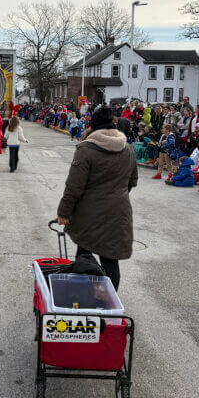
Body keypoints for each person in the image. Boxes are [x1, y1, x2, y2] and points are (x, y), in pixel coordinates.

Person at [55, 106, 138, 290]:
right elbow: (132, 181)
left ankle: (82, 298)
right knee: (110, 261)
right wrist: (115, 197)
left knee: (84, 253)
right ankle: (110, 305)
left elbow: (74, 187)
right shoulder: (128, 149)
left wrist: (63, 212)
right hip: (119, 212)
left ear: (93, 127)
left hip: (89, 213)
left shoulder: (86, 149)